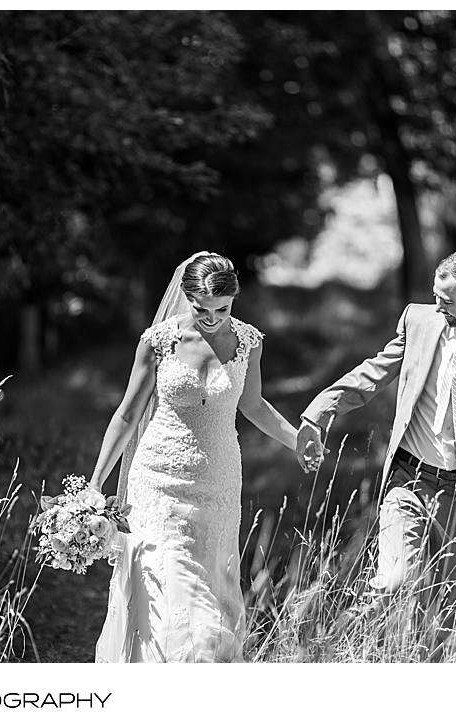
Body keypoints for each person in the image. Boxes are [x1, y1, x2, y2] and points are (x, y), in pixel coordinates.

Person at [296, 251, 456, 646]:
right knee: (394, 583)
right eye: (435, 296)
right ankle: (333, 646)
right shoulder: (420, 321)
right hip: (409, 480)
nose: (437, 306)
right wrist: (319, 413)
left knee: (452, 619)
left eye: (447, 301)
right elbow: (374, 373)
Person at [89, 252, 298, 663]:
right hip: (157, 483)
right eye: (202, 309)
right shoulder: (158, 341)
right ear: (185, 297)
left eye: (223, 308)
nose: (212, 318)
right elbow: (128, 413)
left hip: (218, 488)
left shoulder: (248, 342)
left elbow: (254, 406)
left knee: (209, 606)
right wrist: (95, 485)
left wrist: (299, 441)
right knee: (166, 599)